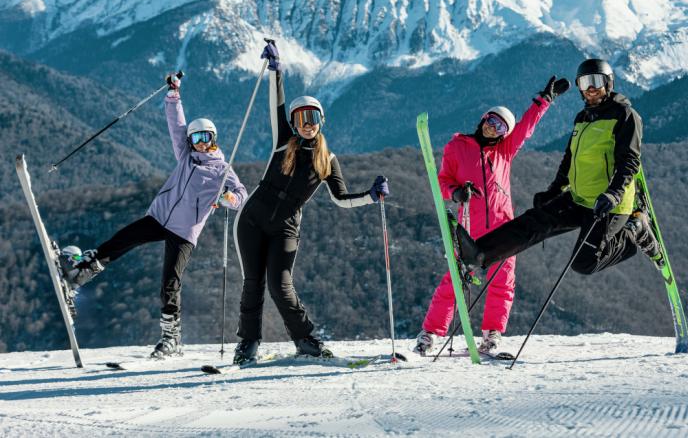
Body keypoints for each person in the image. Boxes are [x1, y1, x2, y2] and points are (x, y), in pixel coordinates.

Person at [59, 73, 247, 358]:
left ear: (213, 140)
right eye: (195, 137)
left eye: (204, 138)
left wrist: (228, 197)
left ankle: (171, 338)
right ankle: (82, 272)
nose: (198, 142)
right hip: (159, 217)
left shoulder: (222, 170)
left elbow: (242, 196)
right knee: (122, 239)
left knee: (170, 282)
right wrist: (173, 95)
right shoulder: (185, 156)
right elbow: (176, 126)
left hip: (184, 231)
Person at [231, 41, 390, 364]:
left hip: (286, 227)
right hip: (252, 219)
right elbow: (277, 105)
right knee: (253, 283)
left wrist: (370, 197)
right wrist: (277, 72)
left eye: (313, 116)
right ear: (294, 122)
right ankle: (247, 343)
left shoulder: (327, 160)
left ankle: (304, 339)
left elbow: (341, 199)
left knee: (281, 284)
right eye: (301, 117)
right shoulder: (282, 143)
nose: (307, 122)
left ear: (321, 120)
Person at [454, 58, 662, 284]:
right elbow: (569, 160)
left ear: (609, 83)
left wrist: (613, 194)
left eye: (596, 81)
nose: (590, 88)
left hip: (609, 205)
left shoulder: (625, 115)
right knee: (534, 222)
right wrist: (554, 190)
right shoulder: (583, 118)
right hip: (579, 198)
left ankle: (636, 230)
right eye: (584, 83)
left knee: (584, 263)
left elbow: (629, 161)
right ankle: (479, 254)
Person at [414, 75, 570, 356]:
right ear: (483, 119)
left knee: (503, 281)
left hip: (503, 225)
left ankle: (492, 335)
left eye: (500, 127)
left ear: (504, 134)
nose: (492, 127)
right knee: (455, 279)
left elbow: (526, 128)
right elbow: (443, 180)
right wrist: (457, 192)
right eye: (490, 120)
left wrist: (544, 101)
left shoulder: (505, 151)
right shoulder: (458, 146)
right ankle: (430, 334)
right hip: (470, 226)